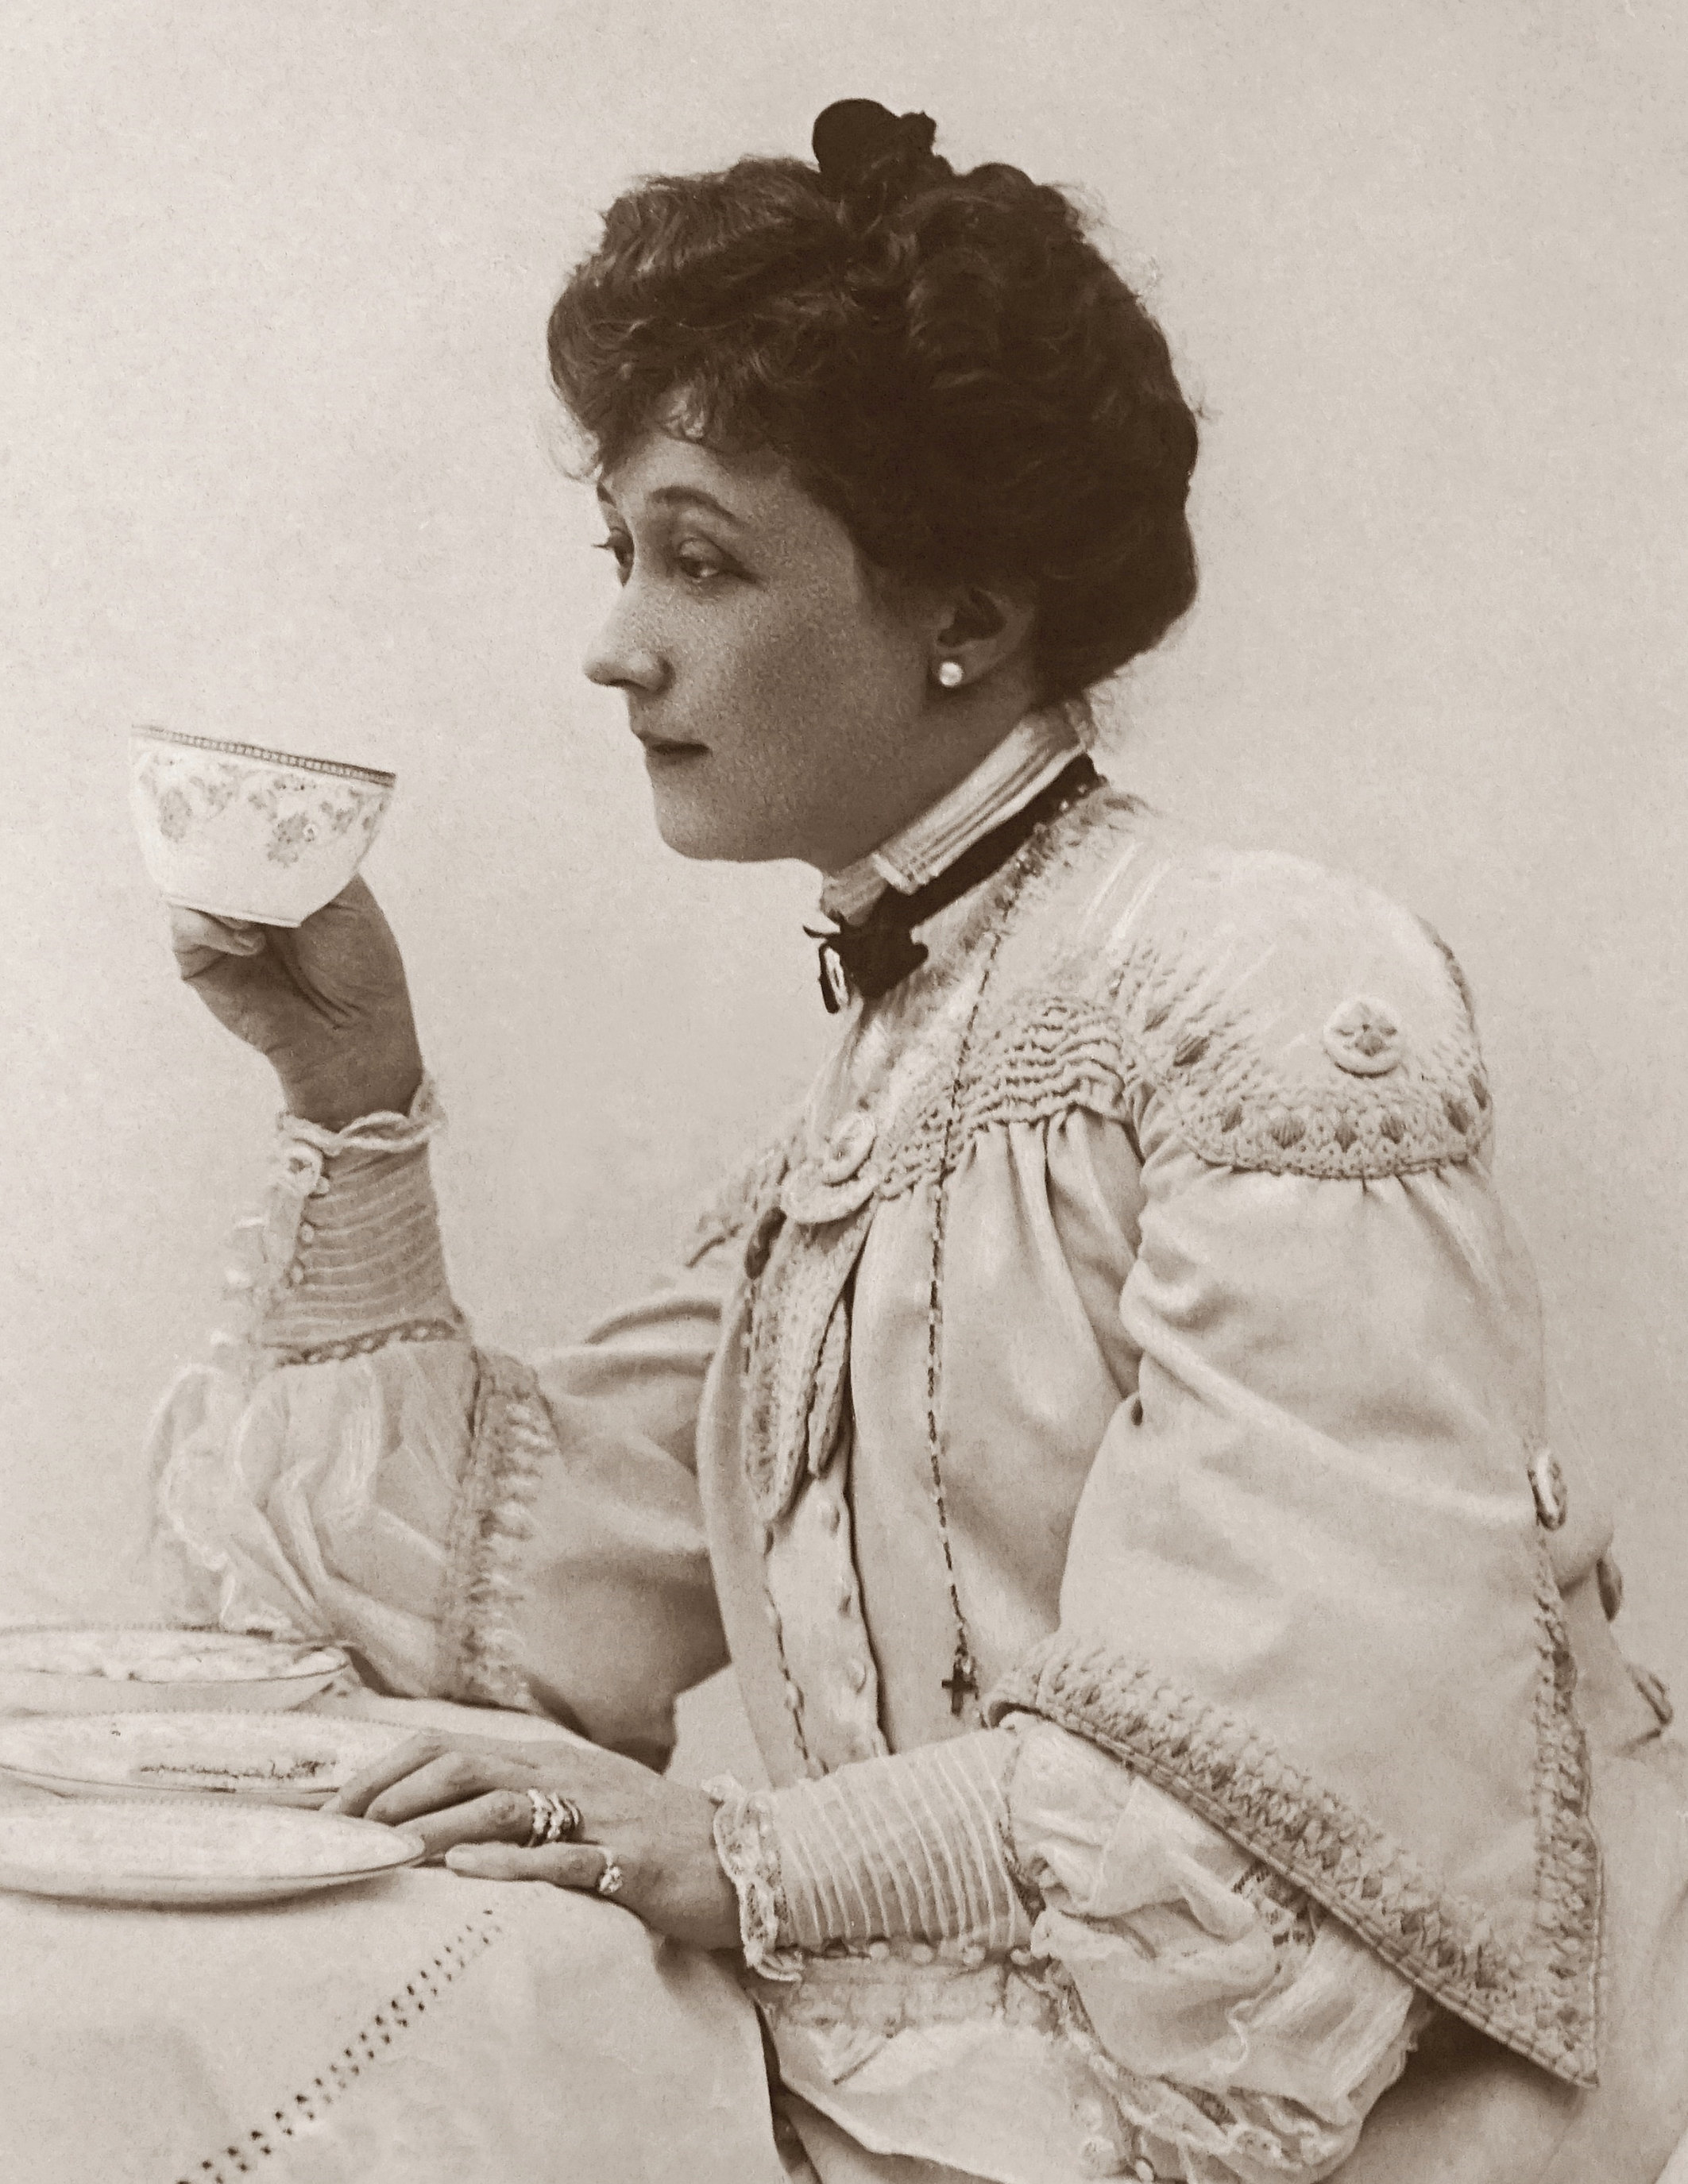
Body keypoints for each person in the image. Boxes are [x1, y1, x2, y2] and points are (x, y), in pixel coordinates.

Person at [147, 100, 1688, 2183]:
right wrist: (354, 1094)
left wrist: (753, 1853)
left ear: (963, 605)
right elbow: (508, 1598)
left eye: (699, 554)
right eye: (620, 552)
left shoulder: (1261, 991)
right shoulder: (899, 1074)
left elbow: (1296, 1766)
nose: (618, 640)